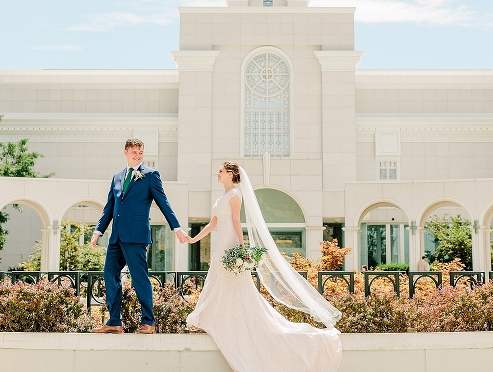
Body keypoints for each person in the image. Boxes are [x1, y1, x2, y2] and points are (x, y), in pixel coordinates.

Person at [185, 162, 342, 372]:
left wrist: (241, 249)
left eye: (221, 171)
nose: (218, 173)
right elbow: (213, 224)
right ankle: (213, 318)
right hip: (221, 244)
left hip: (230, 242)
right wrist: (193, 239)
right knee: (218, 279)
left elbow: (235, 222)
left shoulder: (234, 196)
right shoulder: (220, 198)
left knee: (232, 284)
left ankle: (221, 321)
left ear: (231, 174)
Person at [89, 138, 190, 334]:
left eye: (141, 152)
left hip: (136, 235)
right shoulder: (117, 177)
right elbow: (110, 206)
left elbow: (164, 203)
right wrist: (98, 230)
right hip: (116, 235)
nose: (138, 155)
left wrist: (177, 228)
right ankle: (114, 321)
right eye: (134, 151)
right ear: (125, 152)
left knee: (139, 278)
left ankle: (149, 322)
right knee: (109, 273)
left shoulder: (151, 175)